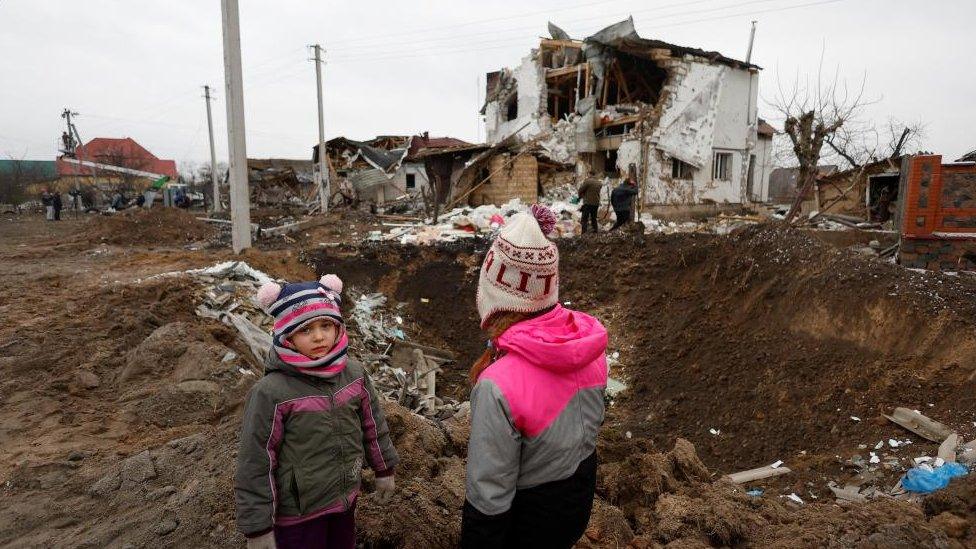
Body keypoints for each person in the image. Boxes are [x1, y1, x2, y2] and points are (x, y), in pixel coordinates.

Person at [461, 205, 609, 548]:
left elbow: (489, 496)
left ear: (495, 295)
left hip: (525, 524)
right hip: (575, 505)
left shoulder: (497, 385)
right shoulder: (591, 346)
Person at [235, 274, 399, 549]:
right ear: (287, 336)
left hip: (344, 501)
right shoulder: (271, 392)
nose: (319, 336)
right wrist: (258, 527)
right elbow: (256, 459)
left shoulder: (354, 374)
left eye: (326, 325)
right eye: (306, 330)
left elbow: (374, 425)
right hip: (298, 516)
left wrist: (384, 469)